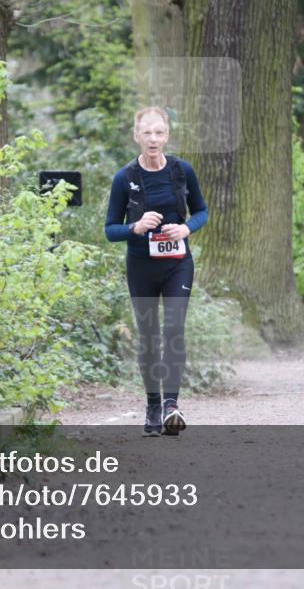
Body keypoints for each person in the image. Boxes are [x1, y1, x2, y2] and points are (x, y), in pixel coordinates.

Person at [104, 107, 208, 437]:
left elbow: (202, 211)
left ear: (167, 136)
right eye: (147, 133)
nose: (153, 139)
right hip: (141, 265)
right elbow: (110, 229)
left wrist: (187, 228)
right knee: (149, 336)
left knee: (174, 330)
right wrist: (134, 226)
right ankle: (152, 403)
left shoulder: (182, 171)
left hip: (178, 263)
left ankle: (171, 406)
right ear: (136, 136)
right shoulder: (125, 178)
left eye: (159, 132)